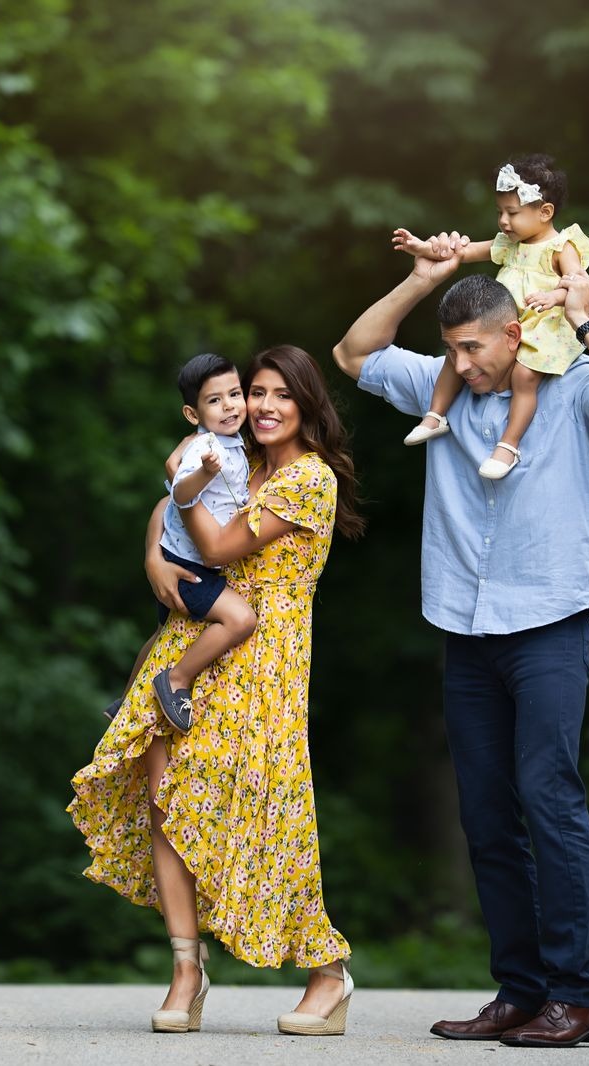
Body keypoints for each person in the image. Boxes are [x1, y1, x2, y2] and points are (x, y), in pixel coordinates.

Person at [331, 236, 589, 1048]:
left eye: (472, 347)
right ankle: (519, 992)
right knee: (486, 816)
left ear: (514, 333)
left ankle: (576, 998)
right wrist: (422, 281)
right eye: (450, 350)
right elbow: (353, 352)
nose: (460, 361)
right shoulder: (442, 392)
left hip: (547, 623)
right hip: (464, 628)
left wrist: (584, 324)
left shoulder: (572, 387)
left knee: (549, 799)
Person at [69, 345, 367, 1036]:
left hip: (265, 652)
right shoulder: (240, 458)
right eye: (254, 392)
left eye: (279, 396)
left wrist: (185, 486)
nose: (262, 406)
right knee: (164, 797)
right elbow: (168, 514)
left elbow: (219, 547)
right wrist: (152, 550)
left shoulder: (308, 480)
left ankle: (327, 971)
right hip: (196, 635)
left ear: (306, 405)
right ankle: (185, 968)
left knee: (268, 815)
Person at [392, 153, 589, 481]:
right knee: (456, 355)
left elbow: (579, 284)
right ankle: (435, 414)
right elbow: (466, 252)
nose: (503, 221)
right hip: (503, 325)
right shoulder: (510, 243)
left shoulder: (562, 246)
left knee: (524, 377)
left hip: (544, 326)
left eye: (512, 213)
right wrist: (422, 248)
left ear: (545, 212)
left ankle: (508, 444)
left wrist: (553, 296)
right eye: (500, 212)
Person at [108, 353, 259, 732]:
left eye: (235, 394)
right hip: (190, 565)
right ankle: (176, 681)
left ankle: (125, 704)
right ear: (193, 414)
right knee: (241, 619)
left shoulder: (230, 441)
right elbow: (178, 493)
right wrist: (204, 473)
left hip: (182, 554)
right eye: (214, 400)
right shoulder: (205, 448)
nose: (229, 406)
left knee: (160, 634)